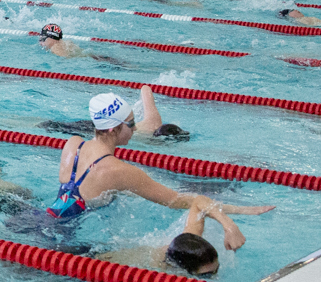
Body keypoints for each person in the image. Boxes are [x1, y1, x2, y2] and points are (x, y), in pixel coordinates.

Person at [46, 90, 253, 221]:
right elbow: (176, 200)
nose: (135, 129)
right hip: (68, 243)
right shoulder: (120, 171)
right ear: (112, 129)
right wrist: (240, 210)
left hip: (45, 220)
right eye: (131, 124)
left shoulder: (72, 144)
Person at [101, 201, 255, 277]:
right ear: (179, 269)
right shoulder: (155, 271)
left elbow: (199, 202)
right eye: (206, 276)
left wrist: (229, 226)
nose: (216, 278)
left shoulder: (189, 244)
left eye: (216, 270)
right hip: (96, 259)